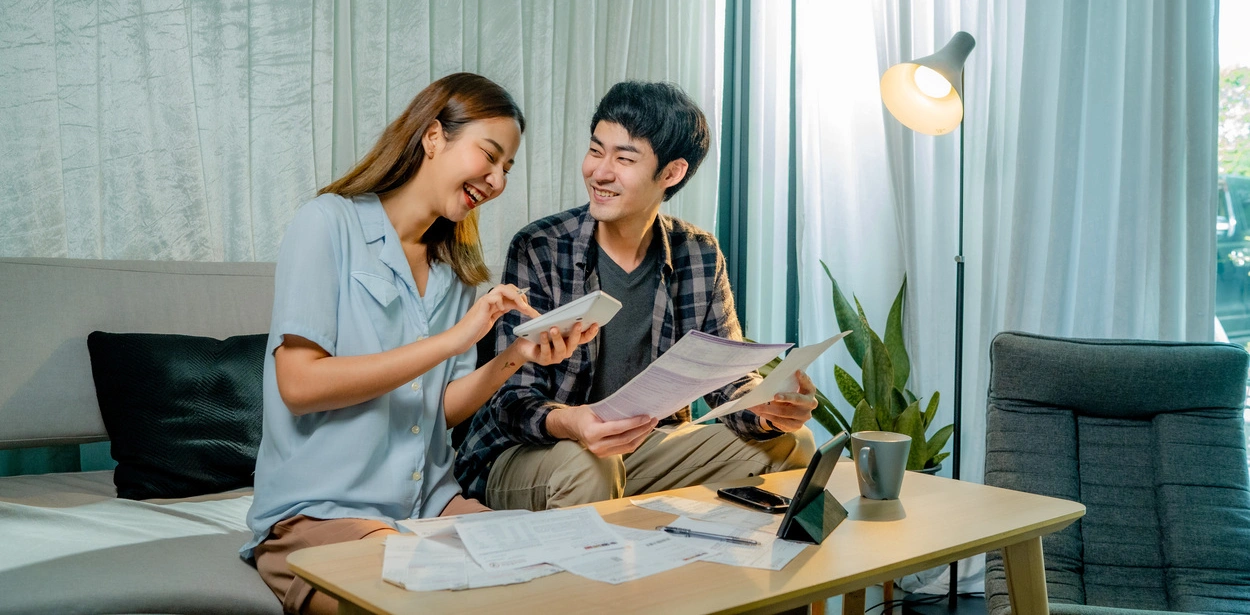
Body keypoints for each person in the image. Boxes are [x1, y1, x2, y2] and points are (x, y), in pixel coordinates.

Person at [241, 73, 596, 615]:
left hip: (427, 508)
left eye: (507, 169)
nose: (497, 180)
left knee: (564, 569)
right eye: (490, 155)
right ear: (434, 137)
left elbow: (441, 409)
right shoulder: (326, 224)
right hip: (319, 515)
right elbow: (299, 384)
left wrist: (512, 357)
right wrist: (454, 339)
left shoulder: (455, 273)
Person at [455, 81, 819, 512]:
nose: (600, 172)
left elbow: (728, 381)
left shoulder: (698, 254)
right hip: (539, 453)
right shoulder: (541, 246)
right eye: (596, 150)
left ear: (671, 173)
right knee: (590, 466)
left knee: (792, 443)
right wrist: (575, 424)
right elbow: (510, 401)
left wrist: (769, 408)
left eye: (624, 158)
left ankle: (721, 573)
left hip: (641, 448)